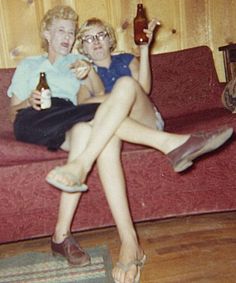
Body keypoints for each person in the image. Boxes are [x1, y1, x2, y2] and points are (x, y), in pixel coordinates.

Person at [45, 15, 233, 283]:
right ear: (82, 47)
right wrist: (110, 104)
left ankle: (83, 163)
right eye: (88, 38)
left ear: (110, 39)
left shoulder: (125, 61)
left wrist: (144, 50)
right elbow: (83, 106)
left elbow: (142, 88)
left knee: (125, 86)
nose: (95, 42)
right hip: (110, 129)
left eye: (100, 36)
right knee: (103, 131)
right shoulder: (83, 71)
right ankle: (129, 242)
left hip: (144, 118)